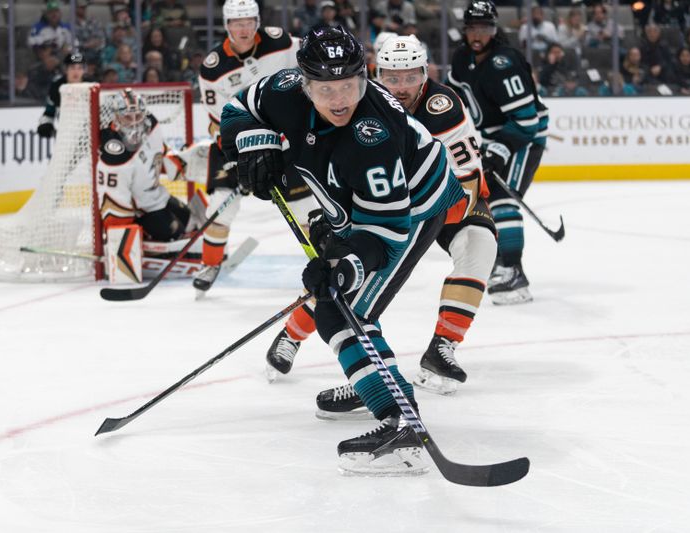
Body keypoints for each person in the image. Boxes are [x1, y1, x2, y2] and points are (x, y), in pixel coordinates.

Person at [221, 26, 465, 475]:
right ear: (304, 83)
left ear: (364, 77)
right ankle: (372, 382)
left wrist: (345, 264)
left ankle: (400, 423)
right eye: (326, 88)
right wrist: (248, 141)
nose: (339, 100)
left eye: (350, 86)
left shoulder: (373, 136)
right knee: (340, 306)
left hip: (415, 205)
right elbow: (237, 108)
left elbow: (387, 231)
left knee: (343, 306)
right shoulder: (284, 90)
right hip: (352, 203)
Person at [264, 35, 498, 395]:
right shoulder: (354, 101)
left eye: (410, 76)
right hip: (378, 205)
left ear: (425, 72)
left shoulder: (442, 105)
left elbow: (466, 178)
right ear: (375, 73)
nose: (402, 86)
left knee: (480, 244)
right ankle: (293, 335)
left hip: (445, 202)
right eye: (392, 76)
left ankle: (443, 346)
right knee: (341, 274)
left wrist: (417, 225)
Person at [195, 0, 314, 293]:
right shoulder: (212, 69)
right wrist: (238, 156)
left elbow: (312, 55)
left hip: (285, 139)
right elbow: (216, 122)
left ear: (257, 21)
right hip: (238, 143)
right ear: (227, 26)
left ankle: (322, 261)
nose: (244, 29)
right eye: (237, 23)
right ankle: (210, 263)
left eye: (249, 21)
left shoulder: (279, 41)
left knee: (304, 207)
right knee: (220, 208)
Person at [447, 1, 548, 305]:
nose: (478, 34)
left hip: (524, 138)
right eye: (472, 28)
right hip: (492, 138)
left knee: (504, 197)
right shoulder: (462, 58)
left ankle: (514, 271)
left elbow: (527, 121)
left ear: (494, 30)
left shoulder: (506, 63)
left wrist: (500, 151)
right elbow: (456, 98)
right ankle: (501, 263)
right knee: (484, 199)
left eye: (484, 28)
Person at [96, 89, 201, 242]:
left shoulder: (151, 124)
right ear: (116, 117)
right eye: (127, 117)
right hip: (140, 210)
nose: (133, 122)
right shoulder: (115, 150)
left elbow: (159, 154)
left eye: (137, 116)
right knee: (175, 234)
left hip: (157, 197)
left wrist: (185, 163)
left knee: (191, 222)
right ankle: (147, 240)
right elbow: (114, 201)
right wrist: (122, 237)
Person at [37, 53, 86, 139]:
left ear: (83, 70)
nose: (76, 72)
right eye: (72, 68)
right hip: (67, 136)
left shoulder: (92, 86)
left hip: (89, 135)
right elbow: (49, 112)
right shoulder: (56, 87)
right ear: (66, 70)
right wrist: (45, 124)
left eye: (79, 68)